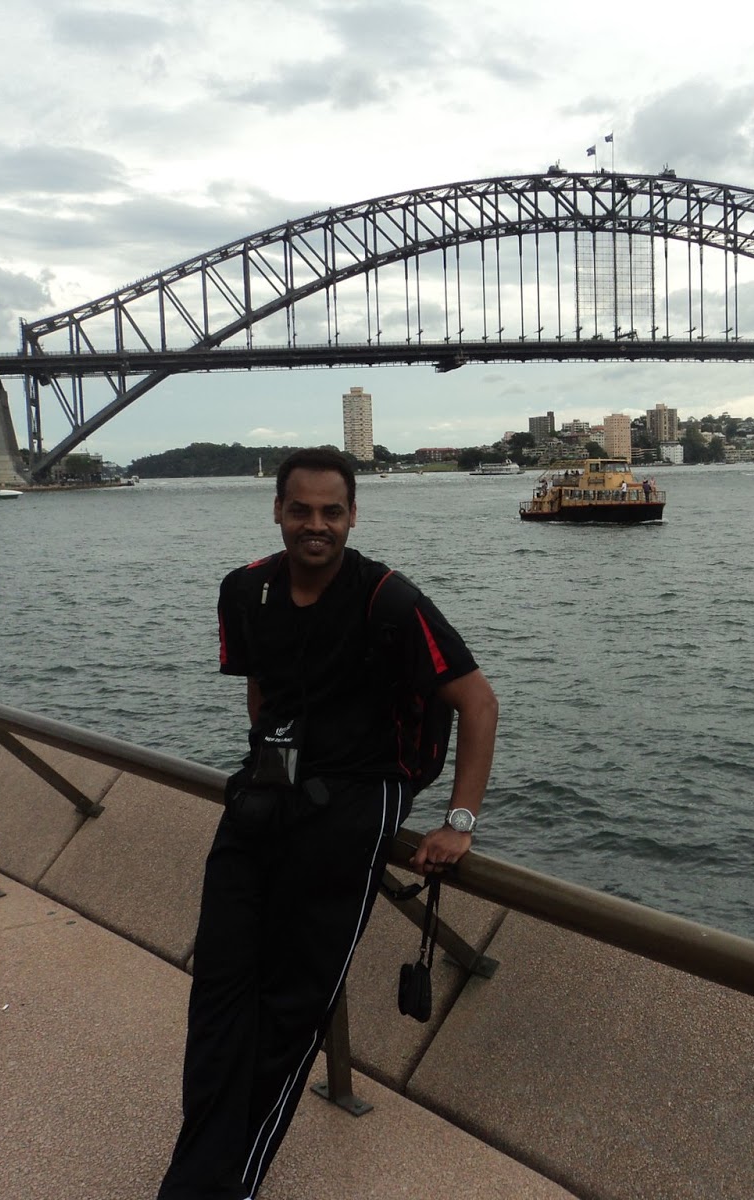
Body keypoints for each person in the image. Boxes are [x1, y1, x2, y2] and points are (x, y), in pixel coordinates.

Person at [158, 447, 498, 1199]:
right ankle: (195, 1181)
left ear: (352, 517)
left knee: (290, 1012)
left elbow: (477, 702)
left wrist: (459, 821)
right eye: (301, 510)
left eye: (331, 512)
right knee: (217, 998)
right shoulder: (246, 591)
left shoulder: (389, 600)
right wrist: (269, 761)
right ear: (277, 511)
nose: (317, 525)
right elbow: (262, 689)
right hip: (267, 795)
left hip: (359, 803)